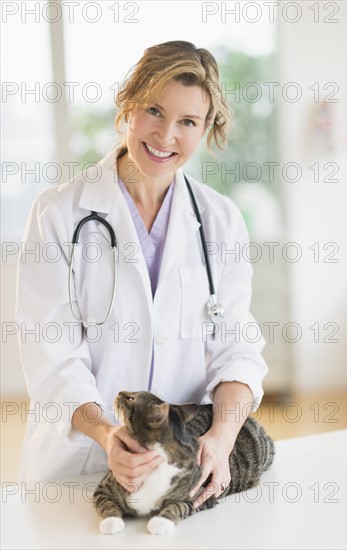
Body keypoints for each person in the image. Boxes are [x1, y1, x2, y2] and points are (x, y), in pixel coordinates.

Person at [16, 40, 268, 508]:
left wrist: (222, 435)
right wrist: (107, 435)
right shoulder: (58, 213)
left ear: (206, 128)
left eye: (188, 122)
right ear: (128, 105)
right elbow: (50, 356)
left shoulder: (221, 219)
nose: (166, 135)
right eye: (154, 110)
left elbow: (236, 346)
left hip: (181, 472)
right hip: (76, 468)